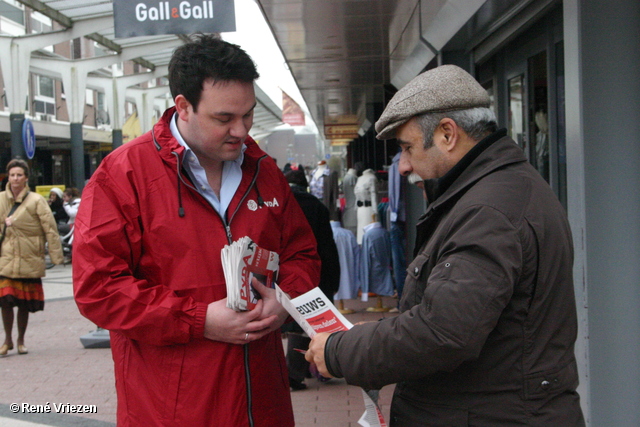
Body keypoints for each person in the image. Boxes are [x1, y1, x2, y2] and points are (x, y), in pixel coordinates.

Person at [306, 65, 585, 425]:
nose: (403, 166)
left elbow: (443, 331)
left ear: (447, 134)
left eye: (407, 148)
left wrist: (341, 350)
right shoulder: (498, 190)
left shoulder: (488, 210)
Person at [73, 34, 320, 426]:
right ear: (183, 107)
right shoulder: (122, 176)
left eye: (248, 114)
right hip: (173, 410)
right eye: (224, 118)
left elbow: (302, 253)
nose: (241, 131)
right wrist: (198, 319)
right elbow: (98, 288)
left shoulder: (263, 170)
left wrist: (286, 297)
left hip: (264, 404)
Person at [282, 168, 340, 390]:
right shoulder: (317, 206)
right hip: (317, 270)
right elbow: (328, 247)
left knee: (296, 322)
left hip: (287, 272)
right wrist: (333, 278)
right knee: (316, 320)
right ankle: (313, 369)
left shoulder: (278, 205)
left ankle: (298, 371)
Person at [0, 159, 64, 356]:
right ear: (8, 177)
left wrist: (56, 257)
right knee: (5, 300)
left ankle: (21, 340)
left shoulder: (37, 200)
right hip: (6, 257)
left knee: (24, 303)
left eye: (19, 175)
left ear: (26, 177)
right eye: (12, 175)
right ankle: (7, 339)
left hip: (29, 257)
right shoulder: (1, 199)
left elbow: (50, 230)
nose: (15, 178)